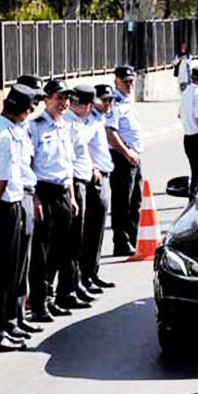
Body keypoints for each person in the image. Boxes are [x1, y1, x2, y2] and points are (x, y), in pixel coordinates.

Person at [0, 85, 35, 353]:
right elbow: (1, 183)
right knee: (3, 275)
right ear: (25, 112)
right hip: (1, 209)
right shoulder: (6, 137)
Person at [30, 79, 85, 315]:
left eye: (66, 99)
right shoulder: (36, 126)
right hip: (43, 191)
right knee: (41, 252)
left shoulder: (66, 127)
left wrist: (72, 197)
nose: (63, 103)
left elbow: (68, 166)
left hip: (63, 191)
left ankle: (53, 297)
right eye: (59, 98)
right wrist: (35, 199)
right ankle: (39, 302)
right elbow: (29, 165)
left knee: (61, 250)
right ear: (46, 99)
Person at [9, 76, 45, 336]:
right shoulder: (5, 129)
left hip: (27, 195)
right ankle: (5, 321)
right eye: (34, 100)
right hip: (11, 200)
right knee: (10, 267)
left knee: (24, 264)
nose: (35, 106)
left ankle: (18, 316)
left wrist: (34, 198)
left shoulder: (22, 128)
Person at [62, 86, 99, 305]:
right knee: (72, 241)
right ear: (85, 106)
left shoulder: (76, 122)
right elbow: (67, 159)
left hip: (81, 181)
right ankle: (68, 290)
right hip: (73, 184)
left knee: (78, 239)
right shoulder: (68, 124)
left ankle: (75, 286)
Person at [107, 65, 144, 257]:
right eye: (126, 81)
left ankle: (134, 237)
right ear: (116, 81)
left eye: (131, 80)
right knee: (122, 202)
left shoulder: (127, 101)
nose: (130, 84)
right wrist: (126, 152)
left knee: (135, 200)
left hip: (134, 156)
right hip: (122, 158)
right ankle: (121, 241)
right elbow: (110, 132)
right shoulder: (115, 103)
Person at [81, 84, 115, 291]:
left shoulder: (99, 119)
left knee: (98, 230)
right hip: (95, 180)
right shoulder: (90, 121)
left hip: (104, 177)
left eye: (110, 100)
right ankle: (86, 276)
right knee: (91, 231)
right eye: (105, 99)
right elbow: (80, 145)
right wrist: (92, 167)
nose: (108, 104)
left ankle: (93, 273)